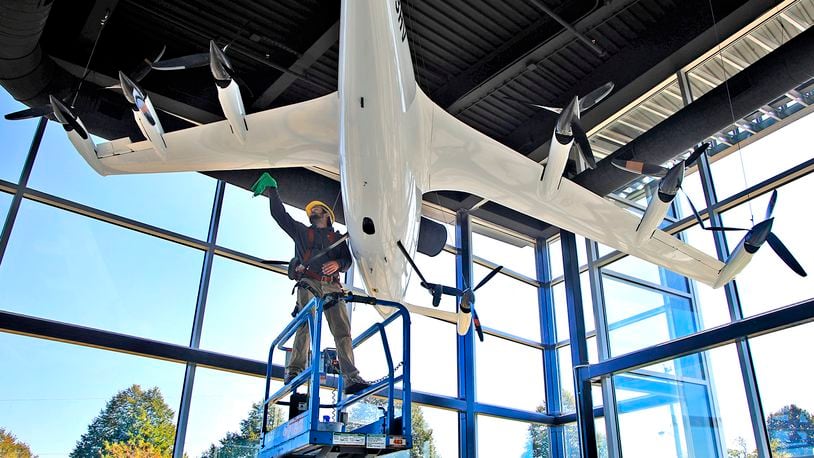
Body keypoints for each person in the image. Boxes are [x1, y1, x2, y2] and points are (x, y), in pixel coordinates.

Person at [251, 172, 370, 395]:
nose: (312, 212)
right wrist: (273, 190)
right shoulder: (302, 233)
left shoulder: (339, 239)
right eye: (311, 211)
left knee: (343, 331)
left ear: (327, 215)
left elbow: (347, 261)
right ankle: (295, 370)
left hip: (333, 286)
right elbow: (280, 215)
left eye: (317, 210)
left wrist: (337, 263)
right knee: (306, 322)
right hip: (310, 283)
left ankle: (351, 377)